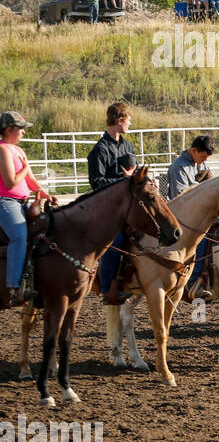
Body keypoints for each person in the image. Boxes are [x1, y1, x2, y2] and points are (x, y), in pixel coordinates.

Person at [0, 111, 52, 305]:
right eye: (20, 128)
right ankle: (14, 287)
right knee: (19, 236)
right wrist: (25, 168)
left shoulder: (18, 151)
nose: (23, 132)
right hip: (5, 202)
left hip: (23, 202)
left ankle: (36, 279)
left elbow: (30, 179)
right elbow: (11, 182)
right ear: (8, 129)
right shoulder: (3, 150)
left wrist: (44, 193)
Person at [89, 101, 138, 299]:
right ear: (119, 120)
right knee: (115, 241)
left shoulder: (127, 145)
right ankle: (107, 287)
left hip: (128, 205)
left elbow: (133, 172)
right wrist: (123, 179)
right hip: (107, 209)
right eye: (128, 120)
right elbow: (97, 183)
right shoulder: (99, 150)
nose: (130, 124)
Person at [168, 136, 216, 299]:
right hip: (184, 219)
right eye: (203, 156)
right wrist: (202, 186)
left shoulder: (201, 164)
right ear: (194, 150)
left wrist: (211, 181)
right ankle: (194, 282)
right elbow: (180, 197)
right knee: (201, 239)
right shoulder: (179, 167)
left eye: (206, 159)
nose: (204, 161)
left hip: (202, 215)